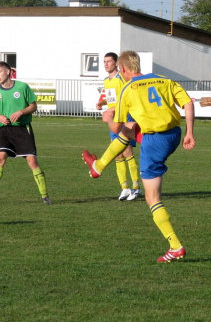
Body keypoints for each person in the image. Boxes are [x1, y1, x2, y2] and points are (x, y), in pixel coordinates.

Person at [82, 50, 196, 263]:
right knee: (129, 128)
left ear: (123, 69)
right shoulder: (163, 80)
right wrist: (190, 132)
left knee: (152, 198)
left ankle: (175, 246)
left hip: (154, 142)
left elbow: (114, 126)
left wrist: (108, 117)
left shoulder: (128, 89)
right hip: (174, 134)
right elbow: (188, 103)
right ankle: (98, 166)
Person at [0, 61, 51, 204]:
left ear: (8, 72)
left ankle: (45, 195)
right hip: (5, 130)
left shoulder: (22, 87)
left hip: (23, 129)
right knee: (0, 158)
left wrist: (21, 112)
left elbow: (33, 106)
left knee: (32, 161)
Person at [95, 52, 140, 201]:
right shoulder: (107, 81)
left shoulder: (122, 78)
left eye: (109, 61)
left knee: (127, 151)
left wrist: (118, 110)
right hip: (114, 118)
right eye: (104, 61)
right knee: (117, 155)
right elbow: (112, 99)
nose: (106, 64)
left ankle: (136, 187)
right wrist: (102, 103)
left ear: (116, 63)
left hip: (124, 116)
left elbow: (127, 97)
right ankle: (124, 188)